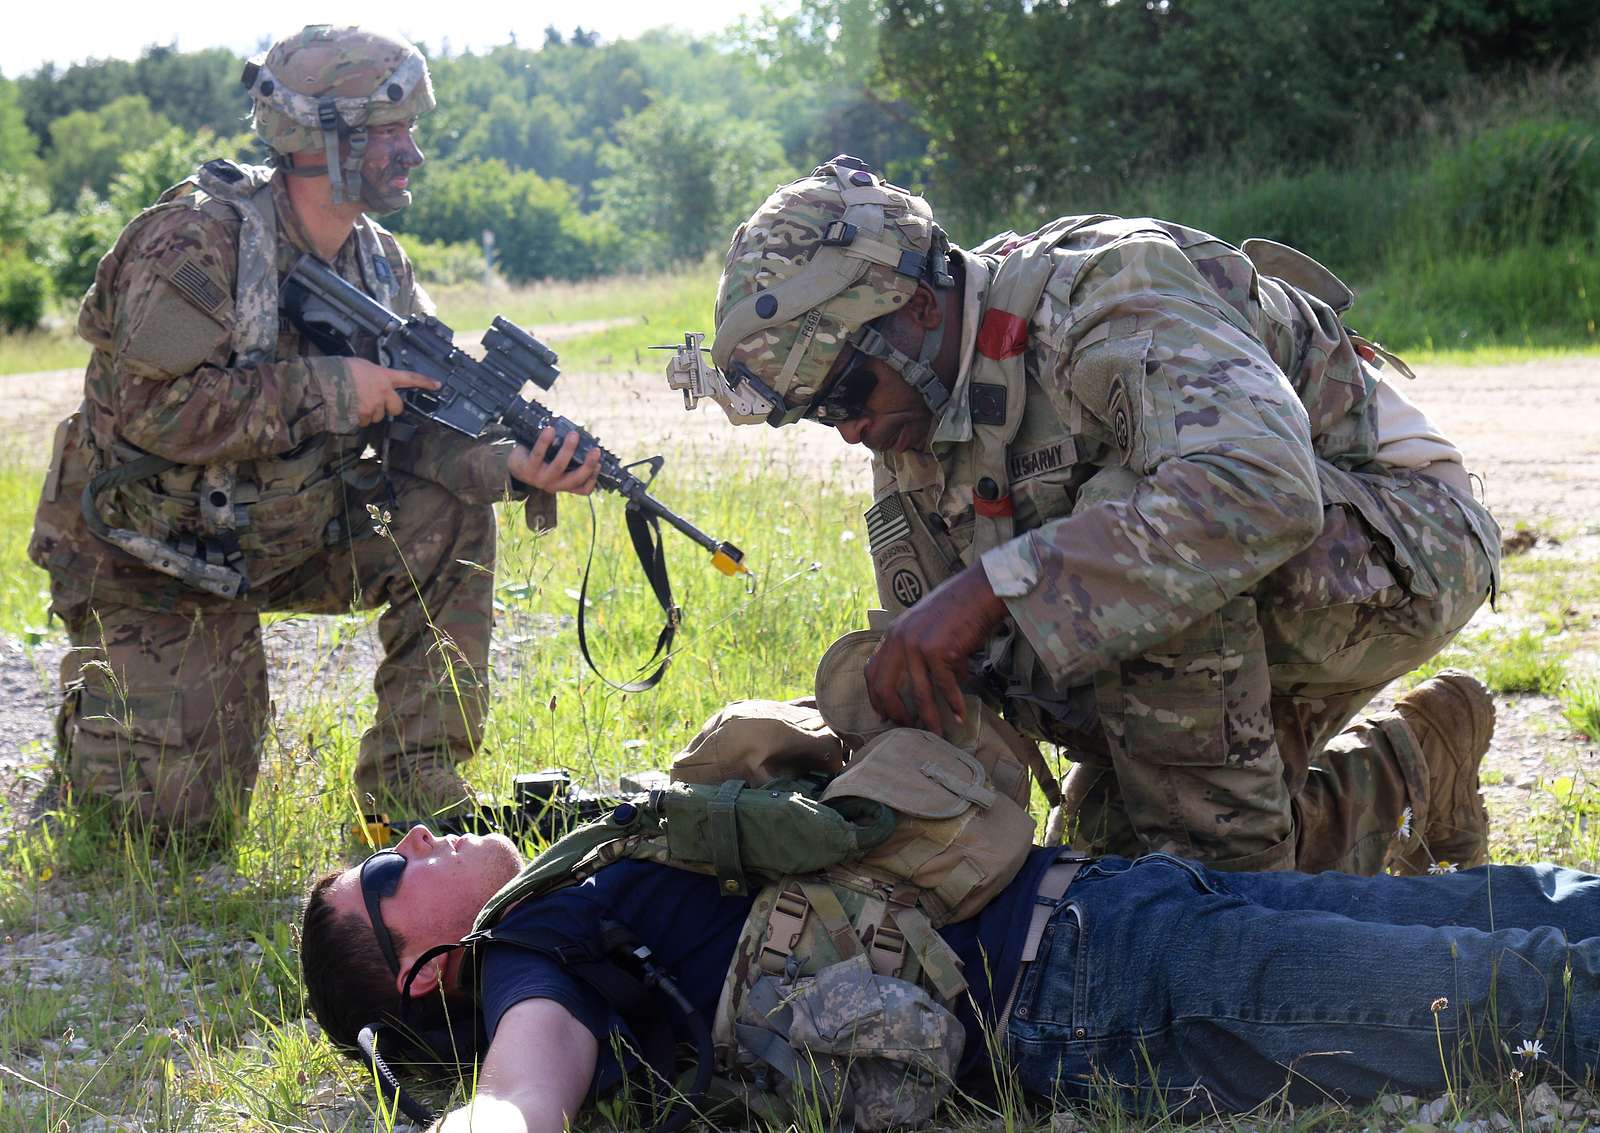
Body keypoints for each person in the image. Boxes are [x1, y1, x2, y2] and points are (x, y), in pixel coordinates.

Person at [680, 156, 1503, 875]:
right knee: (1109, 867)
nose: (853, 428)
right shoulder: (913, 430)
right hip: (1245, 595)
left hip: (1403, 539)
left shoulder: (1105, 291)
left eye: (851, 392)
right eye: (825, 413)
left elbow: (1258, 487)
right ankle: (1412, 768)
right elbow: (974, 667)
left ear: (917, 310)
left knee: (1188, 884)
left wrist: (988, 592)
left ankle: (1232, 903)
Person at [27, 25, 601, 844]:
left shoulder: (381, 263)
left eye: (411, 129)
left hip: (281, 530)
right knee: (164, 835)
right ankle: (97, 747)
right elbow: (151, 414)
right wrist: (333, 389)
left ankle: (411, 789)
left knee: (451, 512)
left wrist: (510, 464)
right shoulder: (193, 241)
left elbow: (415, 423)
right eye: (388, 132)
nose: (412, 153)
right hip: (151, 549)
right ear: (322, 139)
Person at [300, 824, 1600, 1131]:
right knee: (1519, 997)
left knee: (1511, 905)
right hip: (1094, 996)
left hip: (1115, 895)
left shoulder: (572, 864)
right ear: (424, 974)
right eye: (390, 871)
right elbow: (523, 1098)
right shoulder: (538, 958)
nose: (418, 837)